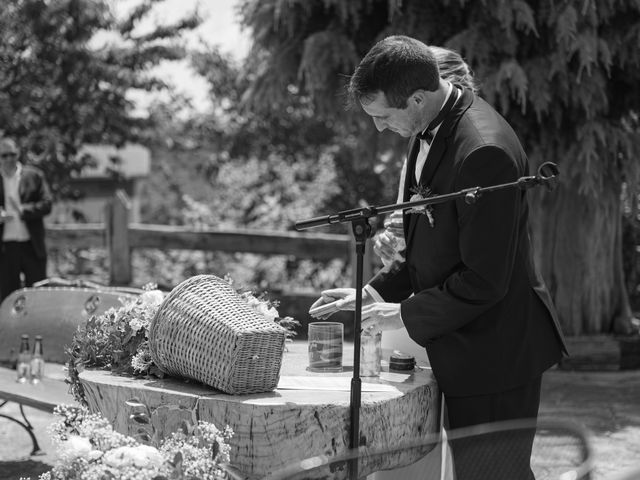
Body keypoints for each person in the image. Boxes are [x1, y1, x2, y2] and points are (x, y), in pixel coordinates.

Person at [310, 36, 568, 480]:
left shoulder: (484, 151)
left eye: (383, 116)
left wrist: (400, 316)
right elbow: (431, 244)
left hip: (496, 351)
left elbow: (484, 279)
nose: (378, 128)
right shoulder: (426, 125)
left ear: (416, 97)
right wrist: (370, 293)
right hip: (463, 343)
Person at [0, 137, 53, 302]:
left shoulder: (34, 176)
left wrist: (23, 210)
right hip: (5, 249)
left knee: (37, 296)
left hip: (32, 245)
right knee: (7, 298)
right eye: (4, 155)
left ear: (19, 153)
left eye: (12, 154)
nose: (9, 158)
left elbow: (47, 204)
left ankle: (37, 328)